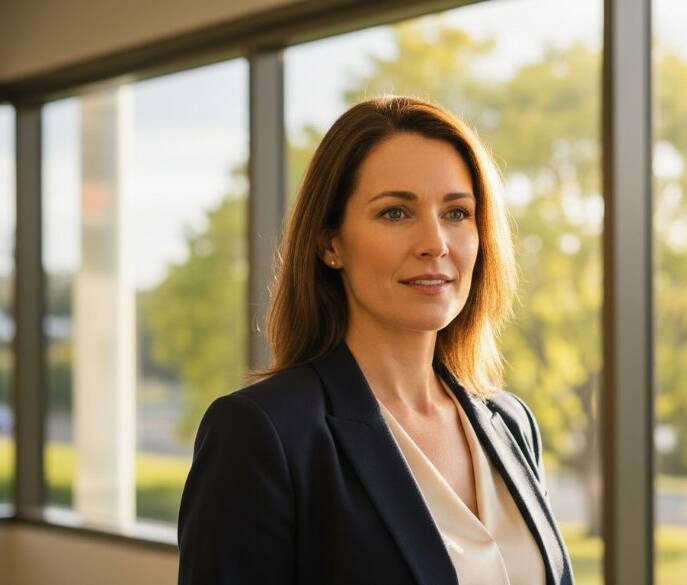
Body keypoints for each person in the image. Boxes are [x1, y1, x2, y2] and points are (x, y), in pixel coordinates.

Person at [177, 95, 574, 585]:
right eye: (395, 213)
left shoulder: (510, 422)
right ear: (330, 244)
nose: (435, 243)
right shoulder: (263, 434)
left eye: (456, 213)